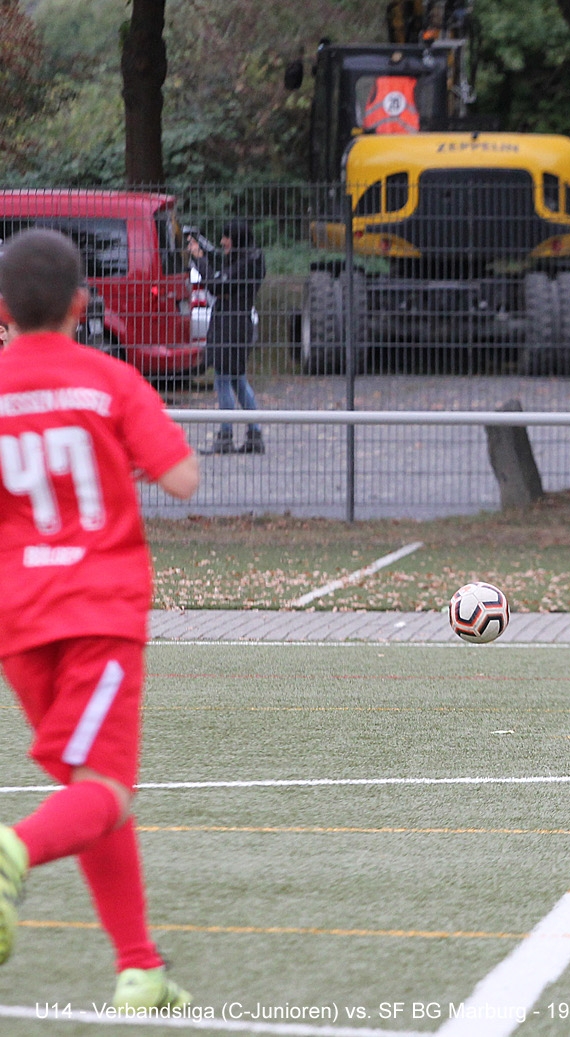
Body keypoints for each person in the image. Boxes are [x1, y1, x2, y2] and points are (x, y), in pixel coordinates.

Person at [0, 229, 201, 1007]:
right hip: (98, 610)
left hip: (19, 620)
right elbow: (182, 478)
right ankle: (12, 848)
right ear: (82, 304)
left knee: (93, 788)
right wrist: (122, 452)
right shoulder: (109, 379)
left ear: (3, 310)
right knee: (106, 786)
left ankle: (140, 966)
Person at [190, 220, 265, 455]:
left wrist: (199, 260)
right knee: (237, 380)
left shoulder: (245, 264)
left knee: (223, 379)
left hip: (229, 327)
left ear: (237, 239)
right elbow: (224, 278)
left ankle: (225, 436)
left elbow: (216, 285)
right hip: (237, 324)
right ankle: (254, 434)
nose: (223, 242)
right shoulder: (251, 259)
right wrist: (208, 255)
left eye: (226, 238)